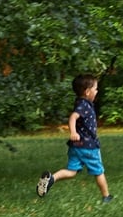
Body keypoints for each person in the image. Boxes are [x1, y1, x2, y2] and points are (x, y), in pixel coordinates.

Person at [36, 74, 113, 203]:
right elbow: (73, 117)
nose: (97, 91)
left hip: (76, 146)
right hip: (88, 147)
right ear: (88, 92)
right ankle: (106, 196)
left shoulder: (81, 102)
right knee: (99, 171)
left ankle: (51, 178)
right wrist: (73, 132)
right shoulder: (83, 105)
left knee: (71, 171)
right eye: (95, 89)